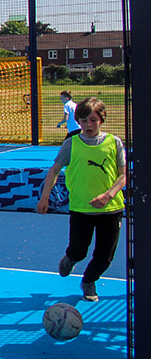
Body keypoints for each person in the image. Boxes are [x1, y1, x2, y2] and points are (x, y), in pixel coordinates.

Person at [37, 98, 124, 302]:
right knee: (79, 250)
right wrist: (44, 197)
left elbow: (123, 176)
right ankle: (71, 259)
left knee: (105, 256)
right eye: (83, 121)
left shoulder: (114, 142)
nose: (88, 125)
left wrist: (108, 195)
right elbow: (54, 170)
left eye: (93, 120)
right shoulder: (72, 143)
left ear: (102, 120)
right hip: (80, 209)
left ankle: (89, 281)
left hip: (111, 209)